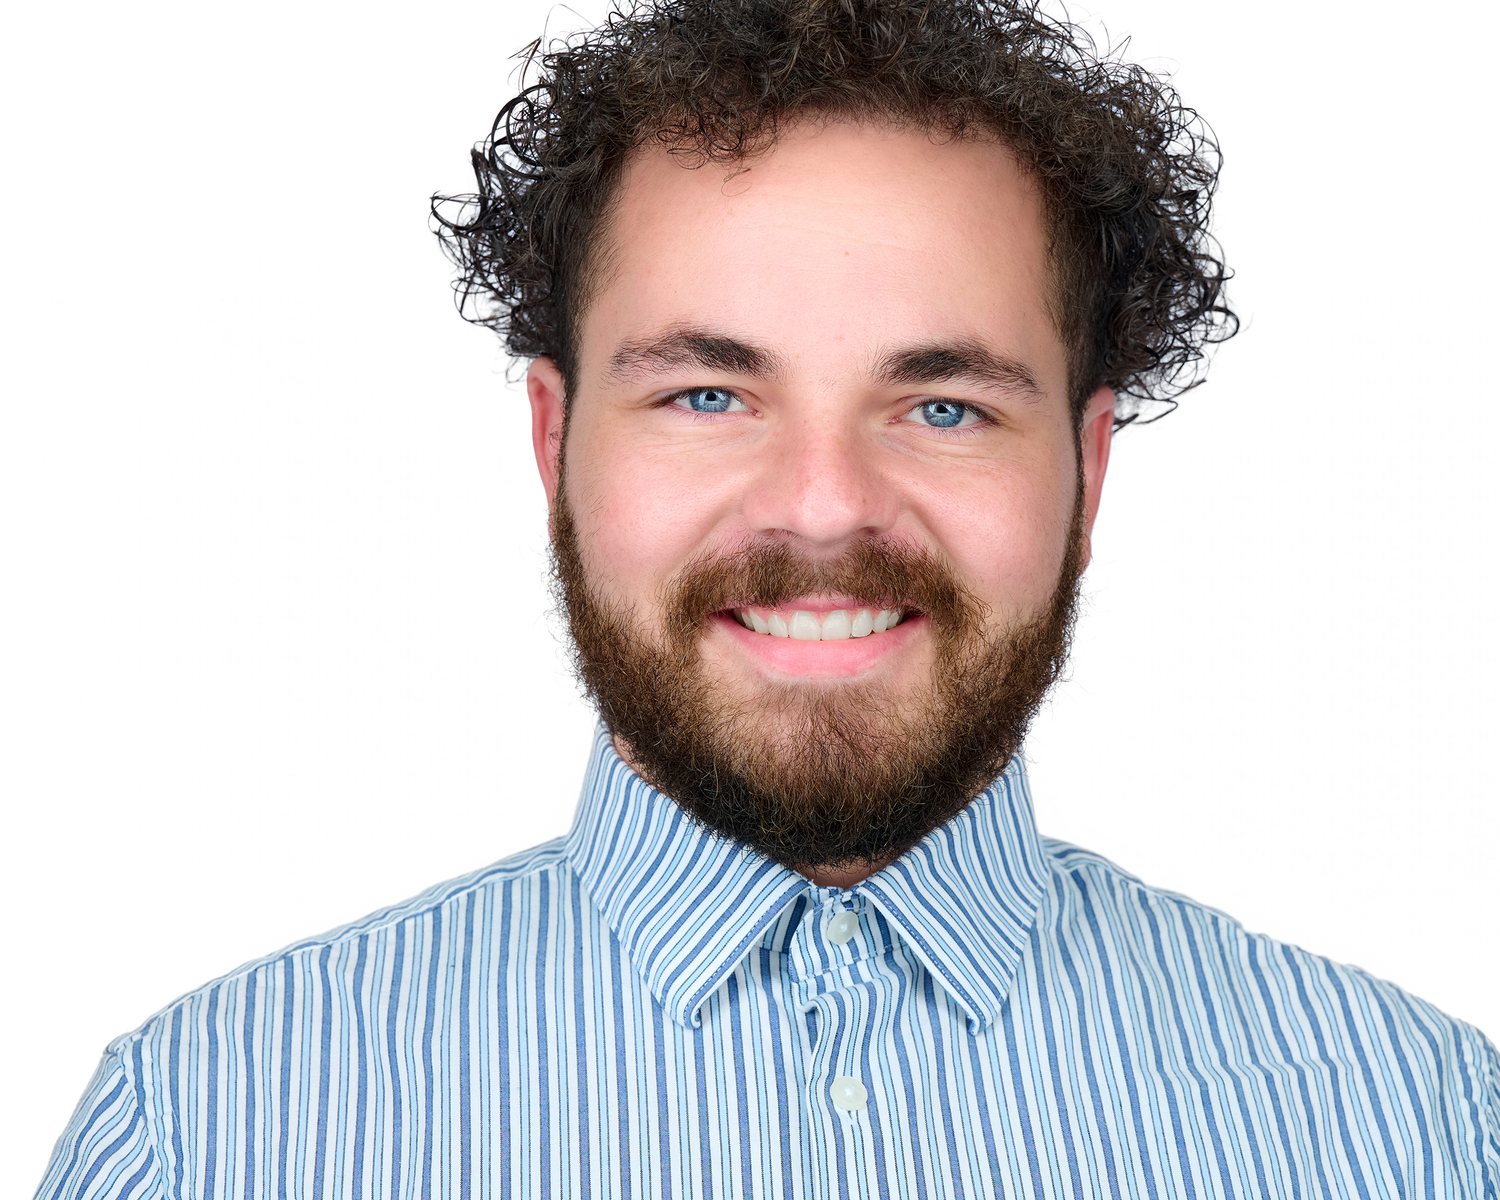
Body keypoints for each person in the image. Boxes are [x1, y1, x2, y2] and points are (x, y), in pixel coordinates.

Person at [36, 0, 1499, 1195]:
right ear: (554, 445)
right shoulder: (211, 1132)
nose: (822, 505)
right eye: (709, 393)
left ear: (1088, 470)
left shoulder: (1416, 1127)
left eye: (943, 408)